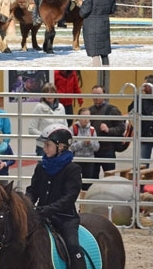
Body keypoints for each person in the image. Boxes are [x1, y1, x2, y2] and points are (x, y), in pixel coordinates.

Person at [26, 124, 85, 269]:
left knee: (72, 246)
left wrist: (46, 209)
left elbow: (69, 197)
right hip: (40, 216)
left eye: (48, 145)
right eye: (44, 145)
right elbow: (33, 190)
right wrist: (26, 203)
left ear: (61, 146)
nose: (44, 148)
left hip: (65, 218)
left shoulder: (73, 170)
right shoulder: (41, 167)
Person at [79, 0, 116, 67]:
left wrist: (81, 6)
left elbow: (83, 12)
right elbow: (112, 10)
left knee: (94, 53)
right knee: (104, 53)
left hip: (91, 26)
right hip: (104, 23)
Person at [128, 75, 153, 164]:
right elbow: (130, 110)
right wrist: (138, 97)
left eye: (145, 85)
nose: (143, 87)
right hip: (146, 135)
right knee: (143, 163)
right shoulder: (141, 98)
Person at [88, 85, 125, 180]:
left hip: (108, 150)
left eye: (99, 94)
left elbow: (121, 128)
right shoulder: (89, 111)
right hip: (93, 150)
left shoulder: (113, 110)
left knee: (110, 178)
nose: (96, 97)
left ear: (104, 95)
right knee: (92, 178)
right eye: (94, 95)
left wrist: (109, 130)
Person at [28, 83, 67, 156]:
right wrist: (47, 138)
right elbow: (31, 129)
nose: (49, 95)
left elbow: (65, 126)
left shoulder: (61, 107)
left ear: (56, 94)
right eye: (46, 92)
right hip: (43, 147)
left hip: (58, 147)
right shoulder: (38, 107)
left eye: (52, 92)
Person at [69, 107, 99, 191]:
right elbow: (70, 147)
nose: (86, 119)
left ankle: (84, 201)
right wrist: (82, 143)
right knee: (74, 183)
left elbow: (96, 147)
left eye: (88, 117)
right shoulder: (73, 129)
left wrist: (90, 143)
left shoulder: (92, 130)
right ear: (78, 117)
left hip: (89, 160)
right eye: (83, 116)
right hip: (77, 159)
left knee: (87, 184)